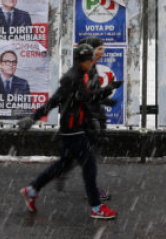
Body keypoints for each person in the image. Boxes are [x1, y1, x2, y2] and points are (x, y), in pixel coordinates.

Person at [18, 44, 120, 220]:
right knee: (89, 165)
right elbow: (55, 101)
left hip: (75, 128)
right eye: (88, 60)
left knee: (62, 165)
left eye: (90, 60)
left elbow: (84, 100)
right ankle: (96, 207)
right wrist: (33, 118)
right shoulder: (72, 79)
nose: (90, 63)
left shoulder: (81, 75)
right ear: (80, 61)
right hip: (72, 130)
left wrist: (105, 95)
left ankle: (32, 190)